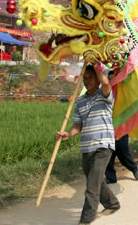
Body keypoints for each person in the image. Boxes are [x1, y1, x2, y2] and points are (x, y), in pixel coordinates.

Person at [56, 63, 120, 225]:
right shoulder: (80, 101)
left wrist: (97, 65)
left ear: (97, 79)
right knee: (94, 179)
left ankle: (85, 220)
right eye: (85, 78)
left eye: (91, 78)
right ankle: (112, 203)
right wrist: (68, 134)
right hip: (86, 146)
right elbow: (78, 125)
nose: (87, 81)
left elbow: (106, 82)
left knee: (92, 184)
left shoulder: (105, 94)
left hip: (103, 144)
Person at [105, 71, 138, 184]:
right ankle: (110, 177)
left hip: (121, 128)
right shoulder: (104, 94)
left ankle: (133, 168)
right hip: (108, 129)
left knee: (123, 151)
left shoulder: (123, 94)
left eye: (114, 79)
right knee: (107, 153)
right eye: (110, 79)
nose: (112, 82)